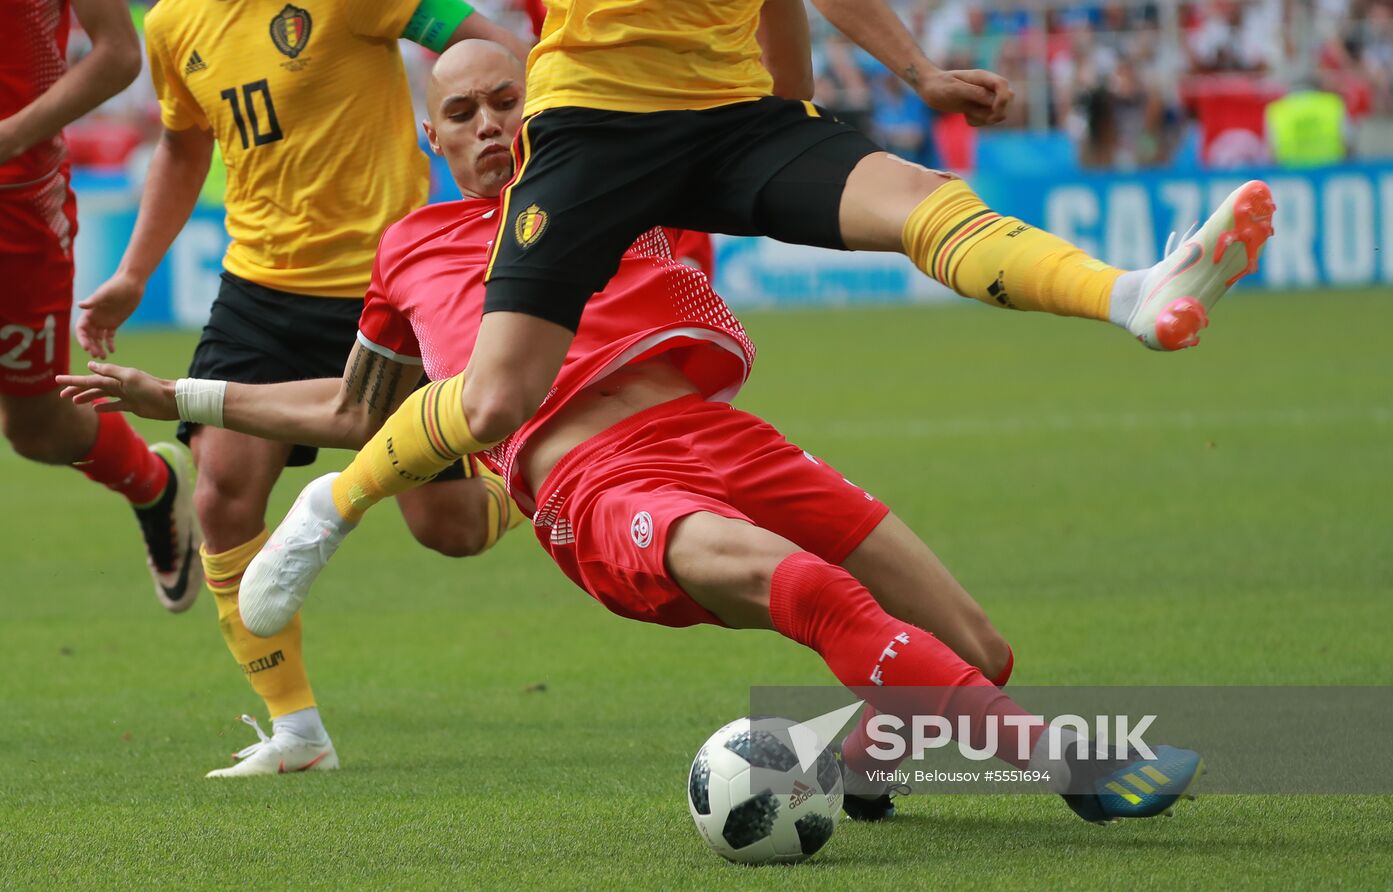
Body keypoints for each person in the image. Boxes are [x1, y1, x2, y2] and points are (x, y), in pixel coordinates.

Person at [62, 41, 1202, 825]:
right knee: (808, 589)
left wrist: (892, 64)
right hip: (598, 489)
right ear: (431, 136)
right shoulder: (407, 250)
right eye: (462, 113)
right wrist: (185, 398)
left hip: (726, 440)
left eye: (505, 100)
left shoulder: (628, 167)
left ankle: (847, 765)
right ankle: (1069, 764)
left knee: (978, 652)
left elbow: (779, 98)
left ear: (544, 102)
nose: (489, 124)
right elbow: (362, 411)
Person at [250, 0, 1277, 599]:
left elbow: (789, 39)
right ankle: (329, 506)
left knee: (919, 199)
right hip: (593, 125)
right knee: (494, 400)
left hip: (728, 113)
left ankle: (1129, 294)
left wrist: (902, 79)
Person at [72, 0, 530, 778]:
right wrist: (133, 273)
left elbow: (497, 50)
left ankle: (532, 469)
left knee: (449, 528)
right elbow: (183, 148)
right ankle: (297, 732)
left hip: (389, 288)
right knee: (221, 492)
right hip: (260, 291)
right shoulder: (172, 26)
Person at [0, 0, 198, 611]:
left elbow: (117, 54)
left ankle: (154, 484)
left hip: (14, 200)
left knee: (36, 429)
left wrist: (9, 137)